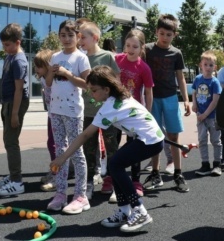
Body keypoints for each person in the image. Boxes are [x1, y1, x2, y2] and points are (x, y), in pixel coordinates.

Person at [52, 66, 162, 233]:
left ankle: (139, 210)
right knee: (114, 165)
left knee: (116, 165)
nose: (91, 94)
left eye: (94, 90)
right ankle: (125, 211)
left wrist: (62, 158)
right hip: (149, 137)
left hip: (149, 140)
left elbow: (85, 135)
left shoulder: (110, 107)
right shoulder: (120, 97)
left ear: (106, 89)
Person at [47, 19, 91, 213]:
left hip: (73, 111)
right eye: (63, 35)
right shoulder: (54, 56)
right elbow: (48, 83)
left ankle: (81, 195)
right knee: (60, 151)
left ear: (78, 37)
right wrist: (51, 72)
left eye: (70, 35)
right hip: (55, 110)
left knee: (76, 152)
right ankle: (61, 193)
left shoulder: (81, 57)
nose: (66, 39)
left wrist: (67, 74)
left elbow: (88, 84)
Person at [143, 13, 190, 192]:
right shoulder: (147, 49)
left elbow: (180, 77)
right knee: (154, 137)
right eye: (162, 33)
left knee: (174, 137)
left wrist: (185, 99)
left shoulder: (176, 53)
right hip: (152, 98)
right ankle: (155, 173)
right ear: (156, 32)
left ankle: (178, 173)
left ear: (174, 35)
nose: (164, 37)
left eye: (168, 35)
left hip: (171, 97)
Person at [79, 21, 120, 202]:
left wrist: (116, 105)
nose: (80, 41)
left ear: (95, 38)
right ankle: (88, 183)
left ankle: (114, 182)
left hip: (108, 113)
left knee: (112, 149)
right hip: (87, 111)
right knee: (89, 149)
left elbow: (116, 81)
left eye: (83, 37)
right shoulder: (80, 58)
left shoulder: (107, 56)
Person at [115, 29, 153, 198]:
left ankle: (136, 181)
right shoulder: (117, 60)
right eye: (128, 45)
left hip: (133, 112)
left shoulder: (144, 68)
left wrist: (148, 113)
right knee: (113, 141)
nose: (130, 49)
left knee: (134, 145)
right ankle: (111, 176)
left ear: (141, 48)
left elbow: (148, 92)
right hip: (115, 109)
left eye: (135, 46)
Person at [0, 24, 30, 197]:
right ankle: (13, 175)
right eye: (3, 44)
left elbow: (19, 90)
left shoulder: (19, 60)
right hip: (8, 102)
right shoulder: (10, 56)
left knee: (11, 141)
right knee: (8, 139)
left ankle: (17, 181)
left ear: (17, 42)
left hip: (16, 103)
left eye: (8, 45)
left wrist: (15, 113)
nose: (5, 48)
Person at [192, 51, 223, 176]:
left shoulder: (215, 82)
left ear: (215, 67)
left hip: (212, 117)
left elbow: (215, 101)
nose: (208, 67)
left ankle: (217, 165)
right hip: (200, 116)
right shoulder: (198, 79)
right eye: (206, 64)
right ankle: (205, 164)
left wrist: (204, 114)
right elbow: (194, 92)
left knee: (216, 140)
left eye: (211, 65)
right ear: (201, 65)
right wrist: (193, 104)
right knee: (202, 140)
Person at [33, 50, 57, 190]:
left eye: (39, 66)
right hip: (51, 114)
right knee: (51, 143)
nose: (36, 69)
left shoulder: (55, 79)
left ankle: (57, 175)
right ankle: (55, 171)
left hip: (58, 115)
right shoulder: (43, 78)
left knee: (55, 144)